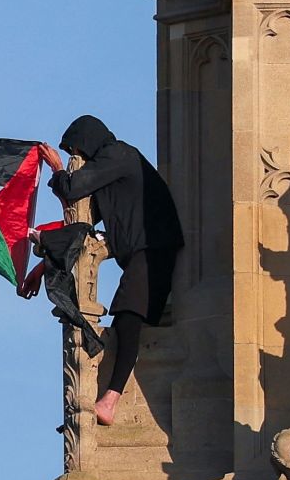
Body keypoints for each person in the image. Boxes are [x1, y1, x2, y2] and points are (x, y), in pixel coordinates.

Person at [18, 115, 184, 426]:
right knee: (128, 318)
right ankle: (109, 398)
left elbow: (73, 187)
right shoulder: (111, 173)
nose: (75, 159)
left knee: (127, 319)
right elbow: (81, 230)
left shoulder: (118, 154)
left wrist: (56, 168)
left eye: (76, 151)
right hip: (144, 251)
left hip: (153, 250)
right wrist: (40, 269)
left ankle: (110, 400)